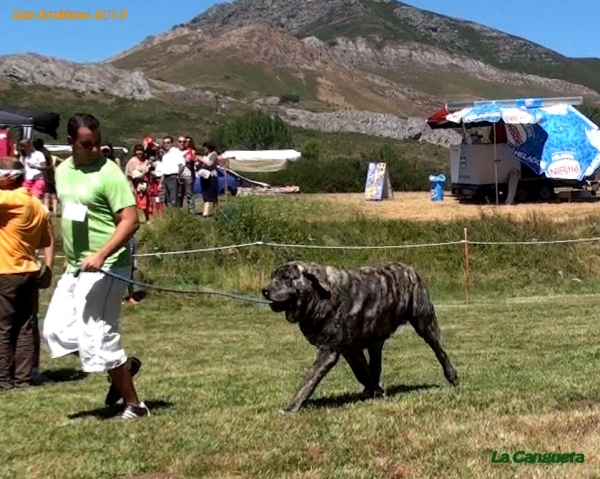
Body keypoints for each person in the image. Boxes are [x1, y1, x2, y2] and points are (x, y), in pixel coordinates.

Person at [42, 113, 149, 419]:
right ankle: (123, 369)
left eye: (98, 143)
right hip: (76, 266)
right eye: (87, 144)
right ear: (70, 143)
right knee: (56, 331)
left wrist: (101, 254)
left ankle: (134, 406)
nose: (95, 150)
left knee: (99, 336)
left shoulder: (110, 173)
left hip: (108, 265)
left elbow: (131, 221)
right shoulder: (62, 171)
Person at [0, 158, 51, 390]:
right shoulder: (37, 205)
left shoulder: (10, 200)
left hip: (6, 270)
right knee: (24, 327)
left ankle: (3, 378)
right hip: (29, 269)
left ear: (9, 177)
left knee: (3, 327)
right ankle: (22, 377)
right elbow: (45, 240)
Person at [34, 138, 58, 216]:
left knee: (47, 194)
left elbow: (48, 165)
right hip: (49, 174)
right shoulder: (46, 152)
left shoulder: (41, 153)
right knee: (52, 194)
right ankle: (53, 211)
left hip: (46, 175)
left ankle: (47, 211)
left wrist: (39, 168)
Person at [160, 136, 185, 208]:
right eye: (164, 143)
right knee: (166, 199)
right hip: (165, 177)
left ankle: (175, 216)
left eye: (168, 143)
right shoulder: (165, 155)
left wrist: (178, 175)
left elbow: (182, 165)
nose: (166, 144)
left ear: (172, 143)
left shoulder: (176, 152)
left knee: (173, 199)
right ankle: (170, 215)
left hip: (173, 177)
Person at [196, 142, 219, 217]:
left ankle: (216, 211)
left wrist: (201, 159)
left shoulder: (214, 154)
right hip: (204, 176)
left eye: (205, 147)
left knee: (213, 193)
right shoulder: (204, 156)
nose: (204, 149)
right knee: (205, 193)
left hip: (211, 176)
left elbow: (210, 163)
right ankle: (206, 212)